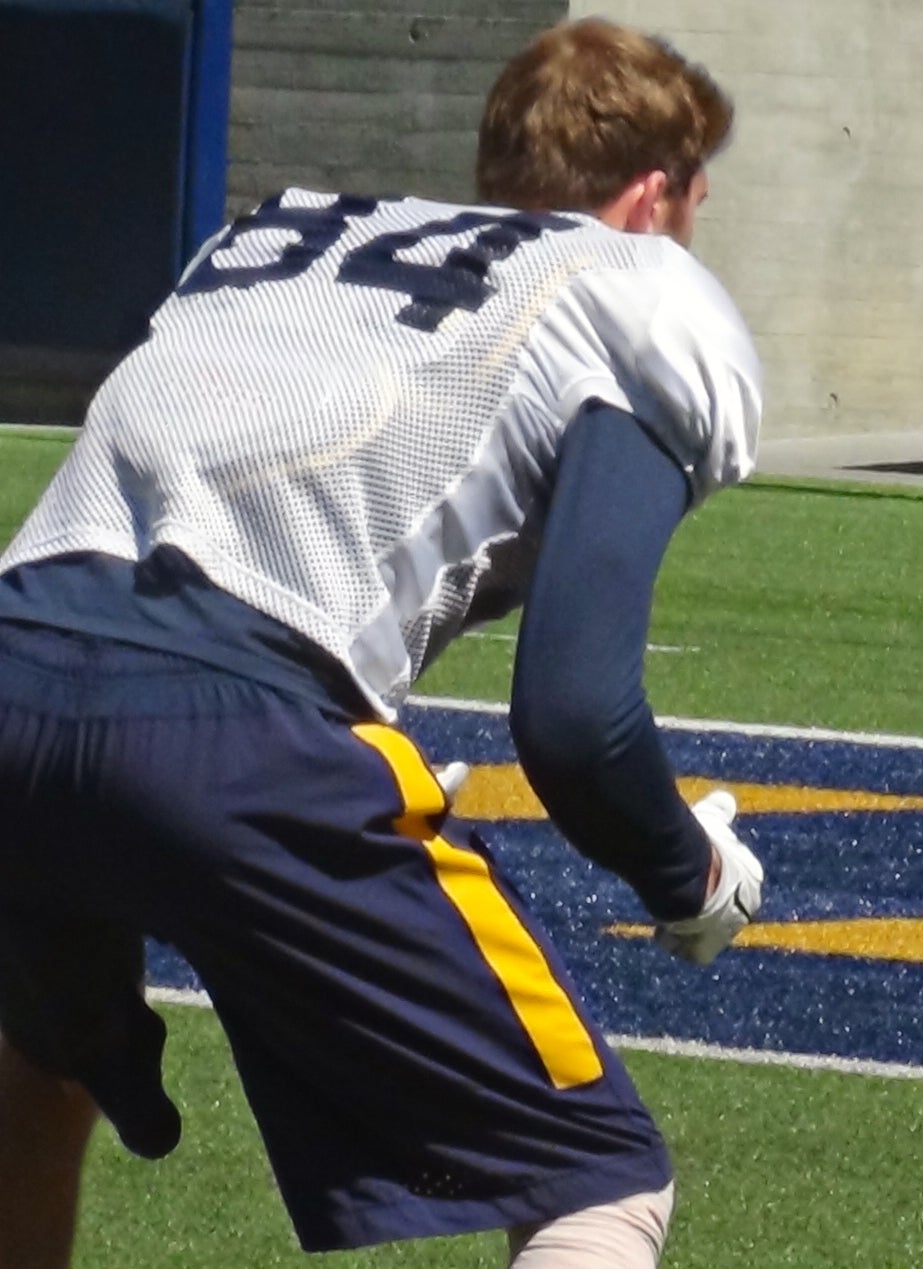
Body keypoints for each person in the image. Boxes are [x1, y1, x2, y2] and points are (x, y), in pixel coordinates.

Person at [0, 18, 765, 1267]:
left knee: (42, 1069)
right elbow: (577, 721)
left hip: (14, 661)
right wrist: (688, 873)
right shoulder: (635, 287)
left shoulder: (282, 234)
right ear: (654, 192)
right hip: (232, 726)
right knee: (595, 1179)